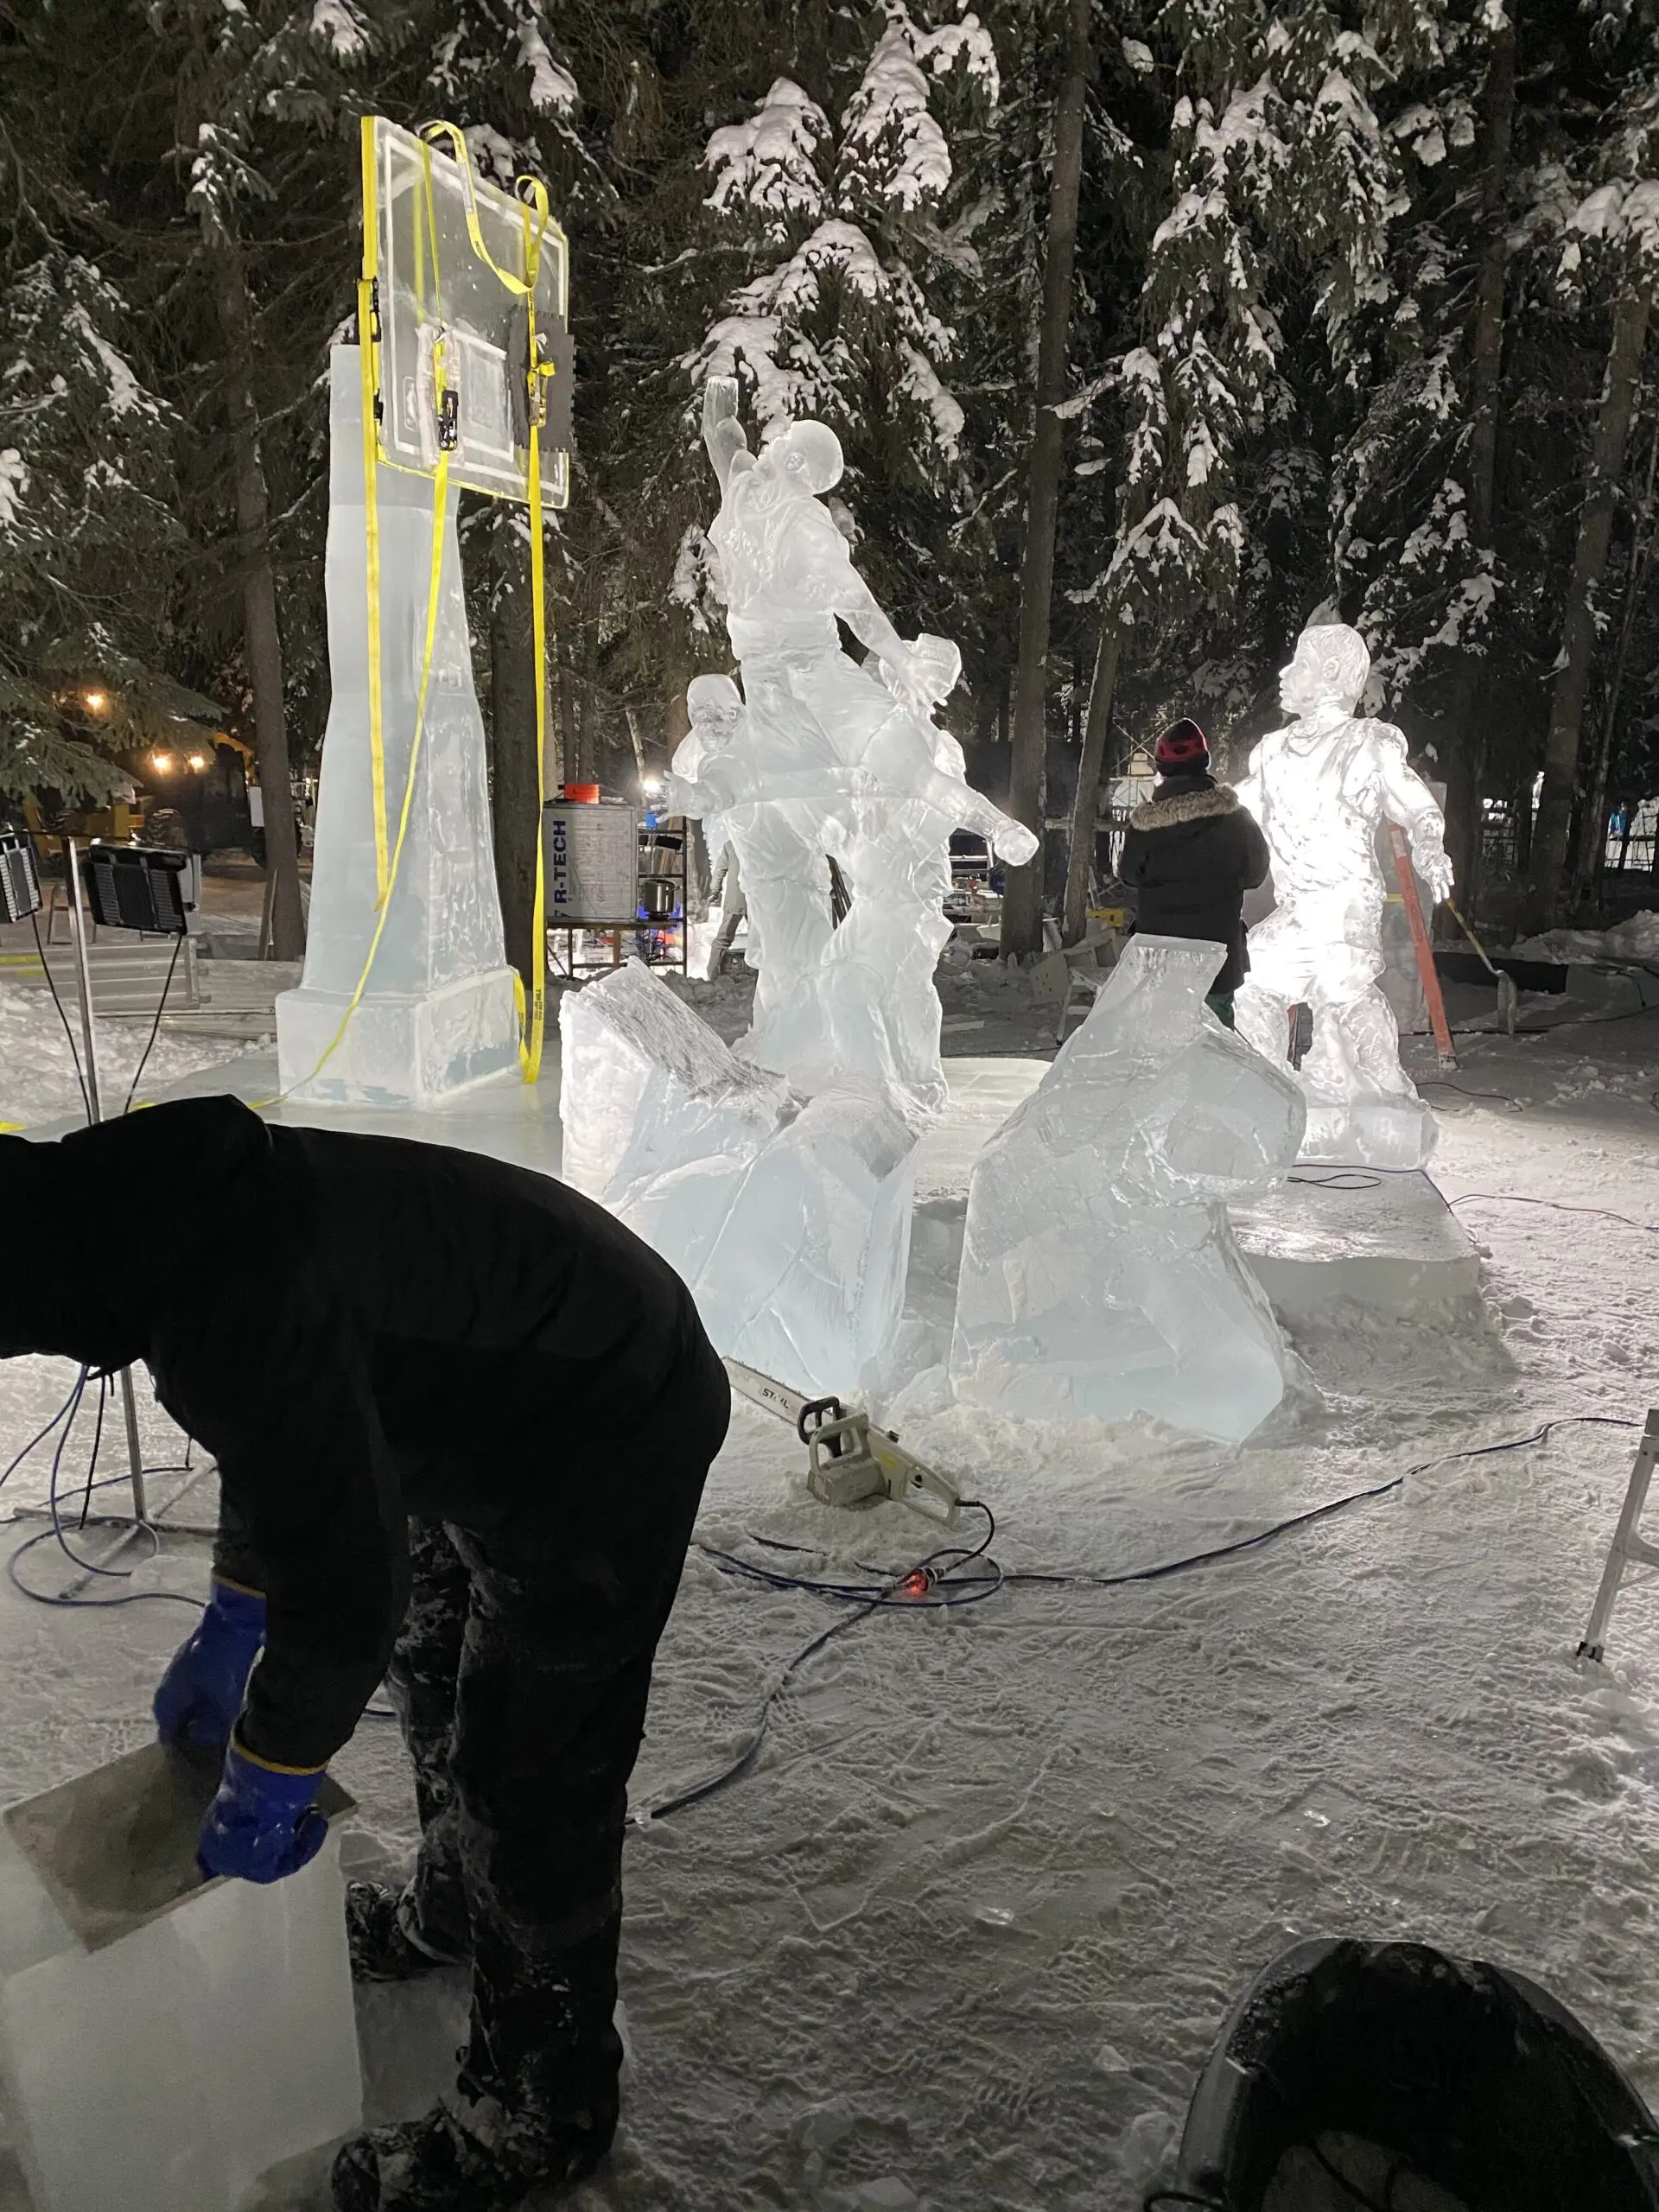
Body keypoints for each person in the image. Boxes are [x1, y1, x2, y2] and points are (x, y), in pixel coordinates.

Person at [0, 1097, 730, 2212]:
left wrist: (271, 1766)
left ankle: (541, 2109)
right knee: (432, 1656)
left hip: (609, 1409)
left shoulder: (211, 1287)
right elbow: (286, 1430)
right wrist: (237, 1611)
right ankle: (456, 1904)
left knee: (530, 1779)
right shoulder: (146, 1215)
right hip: (498, 1377)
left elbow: (345, 1584)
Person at [1233, 621, 1453, 1167]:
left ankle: (1388, 1087)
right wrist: (1194, 819)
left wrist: (1430, 847)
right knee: (1251, 979)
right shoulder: (1272, 751)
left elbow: (1416, 805)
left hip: (1346, 902)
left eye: (1300, 665)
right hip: (1297, 906)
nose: (1286, 675)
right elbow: (1237, 811)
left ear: (1330, 673)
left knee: (1344, 992)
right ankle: (1271, 1086)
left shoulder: (1368, 744)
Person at [1117, 718, 1270, 1029]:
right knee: (1215, 1043)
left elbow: (1129, 875)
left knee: (1160, 1040)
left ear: (1162, 768)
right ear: (1204, 762)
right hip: (1217, 959)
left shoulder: (1144, 826)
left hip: (1159, 960)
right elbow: (1255, 874)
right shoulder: (1237, 819)